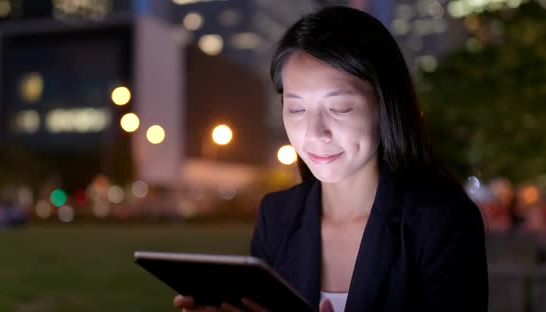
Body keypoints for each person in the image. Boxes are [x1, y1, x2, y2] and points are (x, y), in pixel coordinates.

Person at [175, 5, 488, 312]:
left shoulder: (442, 222)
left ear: (386, 105)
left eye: (339, 108)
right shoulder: (278, 216)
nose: (315, 133)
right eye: (297, 109)